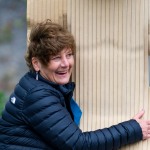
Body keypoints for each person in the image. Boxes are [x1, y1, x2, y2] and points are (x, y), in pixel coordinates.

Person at [0, 19, 150, 150]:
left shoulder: (41, 85)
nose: (66, 64)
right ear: (37, 63)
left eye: (69, 55)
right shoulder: (37, 96)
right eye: (56, 57)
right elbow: (79, 145)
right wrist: (133, 129)